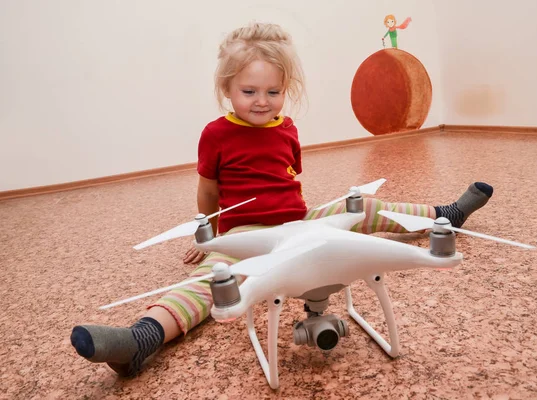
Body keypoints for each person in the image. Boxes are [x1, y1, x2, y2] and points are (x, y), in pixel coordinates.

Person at [70, 22, 493, 378]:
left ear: (285, 90)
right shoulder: (215, 135)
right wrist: (212, 238)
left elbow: (290, 182)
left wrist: (315, 227)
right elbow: (209, 191)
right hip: (248, 232)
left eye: (273, 92)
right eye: (250, 91)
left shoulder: (287, 128)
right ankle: (142, 338)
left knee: (362, 208)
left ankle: (445, 215)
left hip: (299, 219)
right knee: (211, 284)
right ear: (227, 89)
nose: (262, 101)